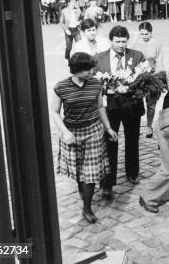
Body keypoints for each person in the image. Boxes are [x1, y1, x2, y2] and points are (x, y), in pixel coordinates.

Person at [51, 53, 118, 223]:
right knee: (80, 171)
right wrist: (65, 132)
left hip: (93, 131)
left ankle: (87, 208)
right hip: (72, 133)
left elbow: (100, 107)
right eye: (87, 69)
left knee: (91, 172)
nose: (92, 71)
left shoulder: (95, 84)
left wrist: (108, 127)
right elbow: (54, 112)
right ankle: (84, 193)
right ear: (76, 70)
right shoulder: (61, 87)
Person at [94, 26, 146, 197]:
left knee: (132, 141)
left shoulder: (137, 56)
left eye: (124, 41)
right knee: (109, 143)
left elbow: (144, 81)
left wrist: (132, 88)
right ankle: (107, 182)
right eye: (117, 41)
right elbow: (94, 84)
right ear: (111, 41)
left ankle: (132, 172)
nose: (121, 45)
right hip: (110, 109)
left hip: (131, 106)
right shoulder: (99, 59)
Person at [130, 22, 164, 138]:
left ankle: (149, 126)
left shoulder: (157, 44)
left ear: (151, 32)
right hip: (139, 77)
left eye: (146, 34)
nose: (144, 36)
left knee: (151, 104)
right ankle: (136, 125)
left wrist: (158, 78)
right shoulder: (135, 44)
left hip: (152, 77)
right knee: (137, 103)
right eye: (142, 34)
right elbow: (132, 61)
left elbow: (160, 61)